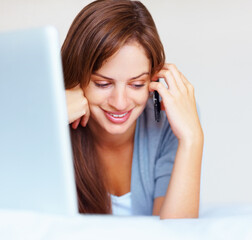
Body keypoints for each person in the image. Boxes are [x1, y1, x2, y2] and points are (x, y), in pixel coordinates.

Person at [62, 0, 204, 219]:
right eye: (103, 84)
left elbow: (177, 231)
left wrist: (192, 139)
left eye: (137, 84)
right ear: (77, 78)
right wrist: (50, 119)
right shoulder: (56, 117)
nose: (119, 103)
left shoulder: (170, 120)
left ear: (153, 78)